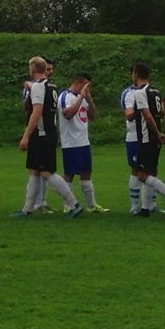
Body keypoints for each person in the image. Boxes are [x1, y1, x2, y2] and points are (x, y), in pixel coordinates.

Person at [14, 57, 84, 218]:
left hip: (42, 134)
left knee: (46, 172)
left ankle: (73, 204)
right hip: (48, 131)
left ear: (32, 69)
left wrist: (26, 136)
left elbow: (37, 111)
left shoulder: (38, 86)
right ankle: (27, 209)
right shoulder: (51, 85)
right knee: (34, 170)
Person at [126, 62, 165, 217]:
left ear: (135, 74)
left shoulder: (140, 92)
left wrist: (157, 132)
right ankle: (145, 209)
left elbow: (147, 116)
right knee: (151, 172)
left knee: (141, 175)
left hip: (147, 138)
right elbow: (160, 113)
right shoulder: (156, 91)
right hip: (155, 139)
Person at [59, 71, 107, 212]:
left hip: (83, 141)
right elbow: (68, 114)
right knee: (69, 174)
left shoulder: (83, 98)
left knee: (86, 172)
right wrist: (81, 97)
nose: (87, 89)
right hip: (71, 143)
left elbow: (92, 115)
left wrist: (89, 99)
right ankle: (68, 205)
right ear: (77, 83)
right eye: (85, 86)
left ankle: (91, 205)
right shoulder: (65, 96)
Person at [121, 79, 141, 213]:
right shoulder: (128, 93)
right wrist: (142, 107)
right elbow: (128, 115)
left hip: (148, 135)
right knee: (136, 169)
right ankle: (134, 206)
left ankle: (151, 204)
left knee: (151, 169)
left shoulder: (150, 91)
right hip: (134, 136)